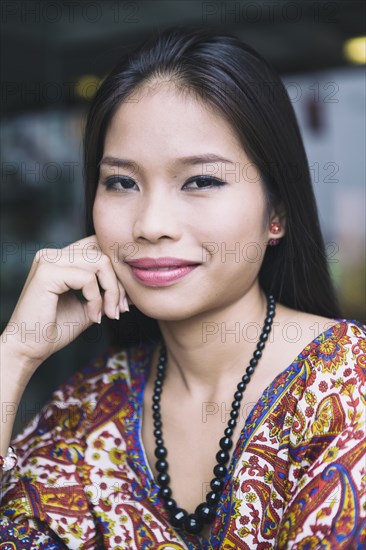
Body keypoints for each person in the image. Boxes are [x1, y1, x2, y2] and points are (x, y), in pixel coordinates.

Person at [0, 27, 364, 550]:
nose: (151, 224)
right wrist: (14, 355)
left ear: (276, 212)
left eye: (201, 181)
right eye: (122, 182)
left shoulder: (348, 387)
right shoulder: (86, 409)